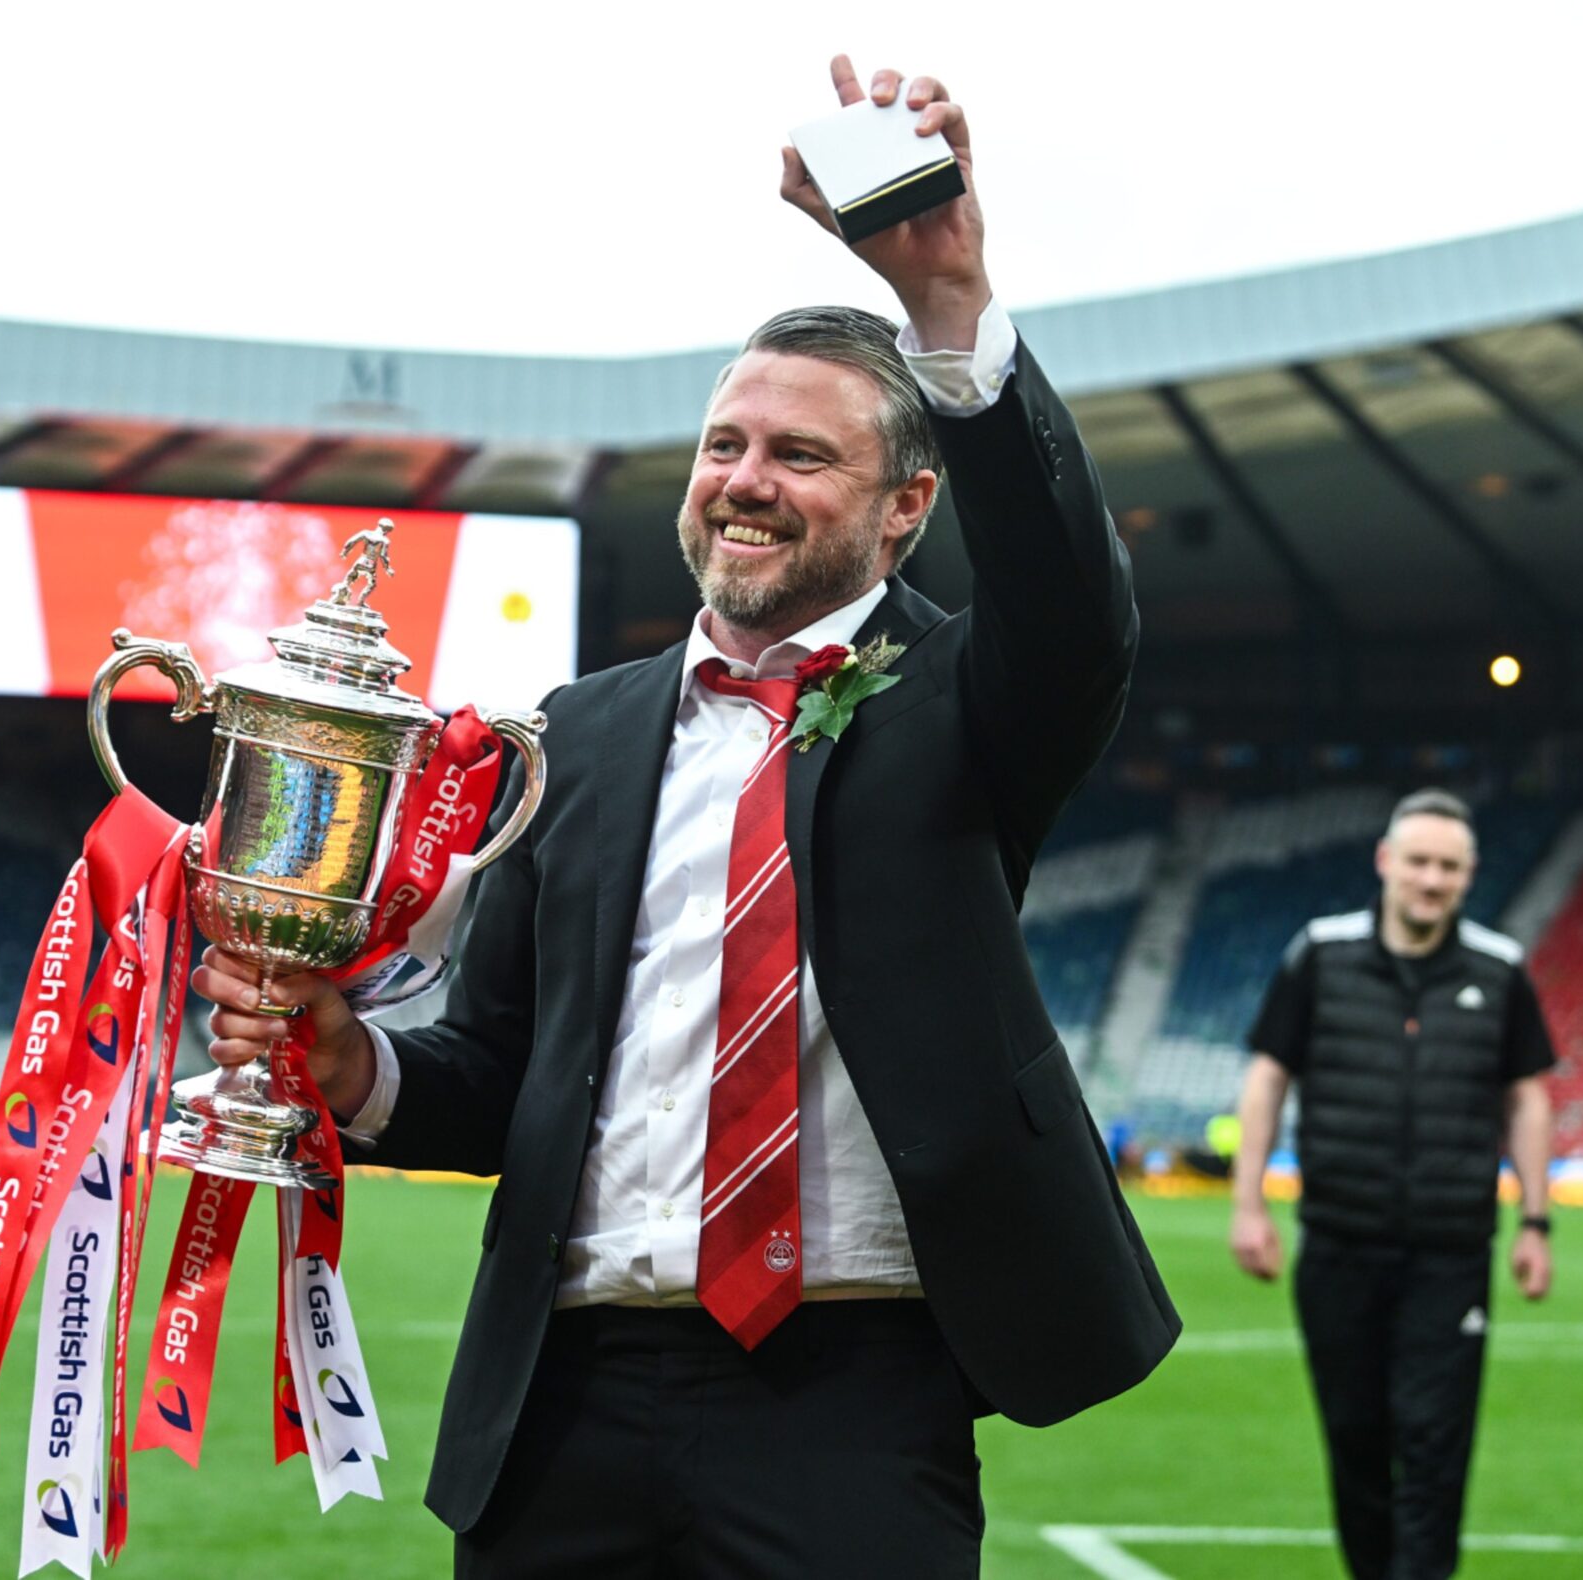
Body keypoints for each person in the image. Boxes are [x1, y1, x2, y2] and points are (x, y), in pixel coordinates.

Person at [194, 56, 1178, 1577]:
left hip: (852, 1391)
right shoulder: (574, 736)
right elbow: (500, 1071)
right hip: (565, 1396)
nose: (746, 482)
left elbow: (1071, 612)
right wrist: (358, 1065)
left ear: (905, 506)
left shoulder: (961, 699)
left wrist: (952, 310)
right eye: (727, 444)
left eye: (801, 454)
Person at [1228, 788, 1557, 1580]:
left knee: (1436, 1443)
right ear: (1385, 862)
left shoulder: (1501, 969)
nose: (1432, 880)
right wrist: (1249, 1204)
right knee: (1356, 1440)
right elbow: (1268, 1078)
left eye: (1449, 867)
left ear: (1470, 875)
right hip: (1339, 1242)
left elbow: (1528, 1096)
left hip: (1450, 1253)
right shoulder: (1320, 954)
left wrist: (1537, 1222)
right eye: (1418, 862)